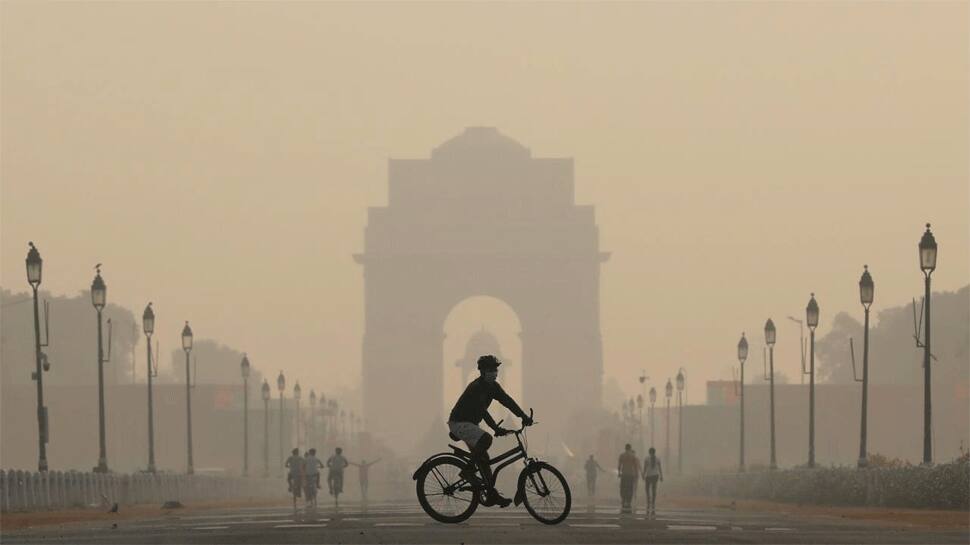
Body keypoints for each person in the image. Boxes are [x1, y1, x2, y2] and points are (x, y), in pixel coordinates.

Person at [447, 354, 533, 508]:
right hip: (458, 423)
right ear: (482, 372)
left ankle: (492, 495)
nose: (494, 373)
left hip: (470, 425)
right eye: (490, 370)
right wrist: (495, 428)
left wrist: (523, 416)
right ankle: (467, 471)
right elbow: (482, 411)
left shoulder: (493, 387)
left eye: (495, 370)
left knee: (484, 461)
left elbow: (507, 401)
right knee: (486, 439)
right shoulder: (476, 387)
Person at [617, 443, 639, 514]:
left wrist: (619, 473)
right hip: (631, 474)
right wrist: (636, 474)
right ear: (630, 448)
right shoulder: (633, 456)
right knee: (630, 488)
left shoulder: (622, 455)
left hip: (624, 474)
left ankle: (623, 500)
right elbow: (635, 466)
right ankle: (629, 501)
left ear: (625, 448)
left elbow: (619, 465)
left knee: (623, 487)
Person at [643, 447, 663, 516]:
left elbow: (645, 467)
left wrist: (643, 474)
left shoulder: (646, 458)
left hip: (648, 475)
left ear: (649, 452)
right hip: (655, 475)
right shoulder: (658, 459)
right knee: (654, 489)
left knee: (647, 489)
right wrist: (661, 476)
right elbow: (660, 468)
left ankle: (648, 500)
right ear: (654, 452)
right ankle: (653, 501)